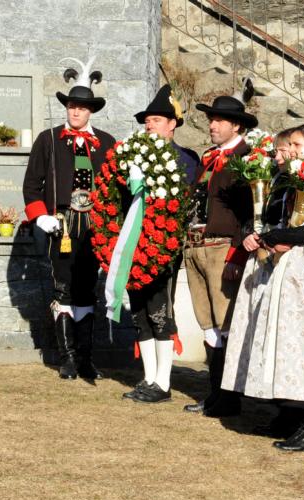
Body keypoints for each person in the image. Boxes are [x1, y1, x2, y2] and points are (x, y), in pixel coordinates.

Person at [221, 122, 304, 452]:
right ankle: (288, 414)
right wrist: (258, 235)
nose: (291, 152)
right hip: (285, 262)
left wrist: (274, 237)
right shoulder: (290, 180)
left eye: (298, 145)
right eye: (290, 146)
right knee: (283, 340)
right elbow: (272, 218)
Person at [23, 57, 116, 380]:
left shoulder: (107, 143)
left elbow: (115, 188)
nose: (75, 112)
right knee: (63, 287)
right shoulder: (48, 139)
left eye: (82, 107)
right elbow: (31, 185)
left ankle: (86, 358)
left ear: (91, 111)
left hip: (94, 224)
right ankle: (67, 358)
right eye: (72, 106)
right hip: (60, 223)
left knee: (87, 288)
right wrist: (40, 217)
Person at [122, 84, 200, 403]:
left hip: (163, 246)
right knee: (139, 311)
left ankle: (163, 382)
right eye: (147, 121)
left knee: (160, 310)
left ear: (172, 124)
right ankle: (149, 378)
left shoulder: (186, 159)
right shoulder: (134, 156)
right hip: (134, 243)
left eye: (155, 120)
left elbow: (185, 204)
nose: (149, 125)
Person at [181, 91, 256, 416]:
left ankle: (228, 397)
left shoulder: (247, 158)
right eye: (211, 119)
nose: (212, 124)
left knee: (225, 321)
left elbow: (249, 213)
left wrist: (237, 255)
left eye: (219, 120)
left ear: (236, 125)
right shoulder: (210, 156)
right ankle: (214, 393)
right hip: (197, 244)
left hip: (223, 247)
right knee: (207, 321)